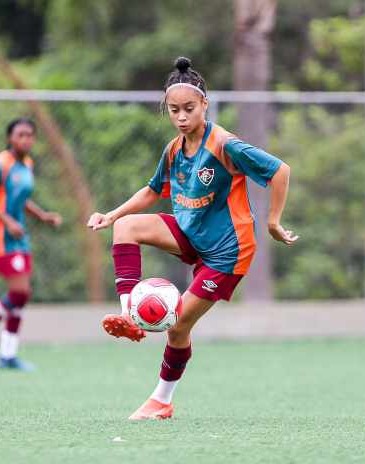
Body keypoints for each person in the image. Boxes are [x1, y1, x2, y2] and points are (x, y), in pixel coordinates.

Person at [87, 57, 298, 419]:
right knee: (126, 227)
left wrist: (274, 222)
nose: (181, 117)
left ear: (205, 105)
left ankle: (161, 401)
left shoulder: (225, 145)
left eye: (188, 108)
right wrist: (112, 214)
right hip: (191, 233)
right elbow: (153, 191)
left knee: (178, 325)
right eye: (174, 110)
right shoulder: (173, 148)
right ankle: (128, 315)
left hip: (227, 252)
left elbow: (280, 171)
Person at [0, 118, 62, 371]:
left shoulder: (27, 163)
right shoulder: (0, 165)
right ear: (10, 138)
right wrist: (7, 222)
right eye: (20, 135)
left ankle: (8, 355)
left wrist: (42, 216)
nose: (26, 139)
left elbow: (21, 199)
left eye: (30, 135)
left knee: (21, 296)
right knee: (19, 292)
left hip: (19, 235)